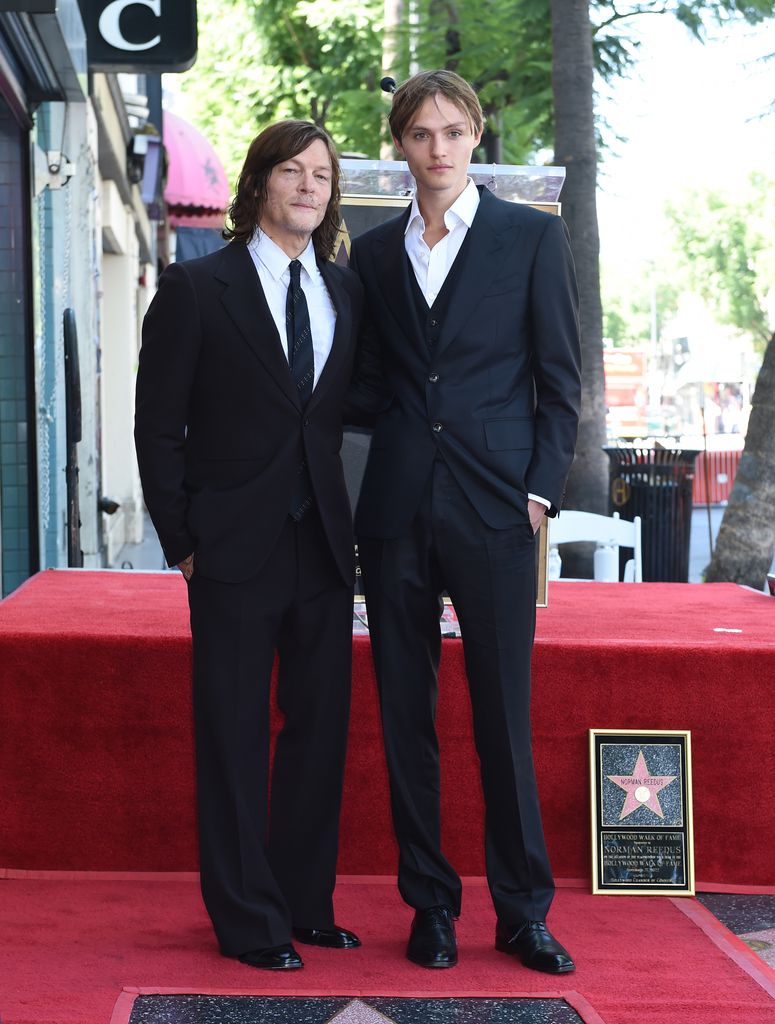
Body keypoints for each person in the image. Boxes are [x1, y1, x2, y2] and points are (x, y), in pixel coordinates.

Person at [347, 71, 582, 973]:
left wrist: (536, 492)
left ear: (475, 138)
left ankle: (522, 912)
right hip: (397, 510)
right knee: (405, 713)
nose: (437, 149)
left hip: (495, 511)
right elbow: (365, 385)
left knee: (501, 720)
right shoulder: (371, 257)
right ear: (400, 146)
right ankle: (429, 905)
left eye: (452, 131)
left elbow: (559, 386)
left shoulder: (528, 238)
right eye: (419, 134)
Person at [135, 120, 363, 971]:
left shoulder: (345, 293)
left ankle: (305, 905)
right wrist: (182, 541)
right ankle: (245, 919)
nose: (309, 185)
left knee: (319, 731)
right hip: (229, 549)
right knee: (232, 734)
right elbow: (157, 426)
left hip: (322, 547)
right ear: (260, 183)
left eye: (321, 175)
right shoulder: (197, 288)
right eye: (293, 171)